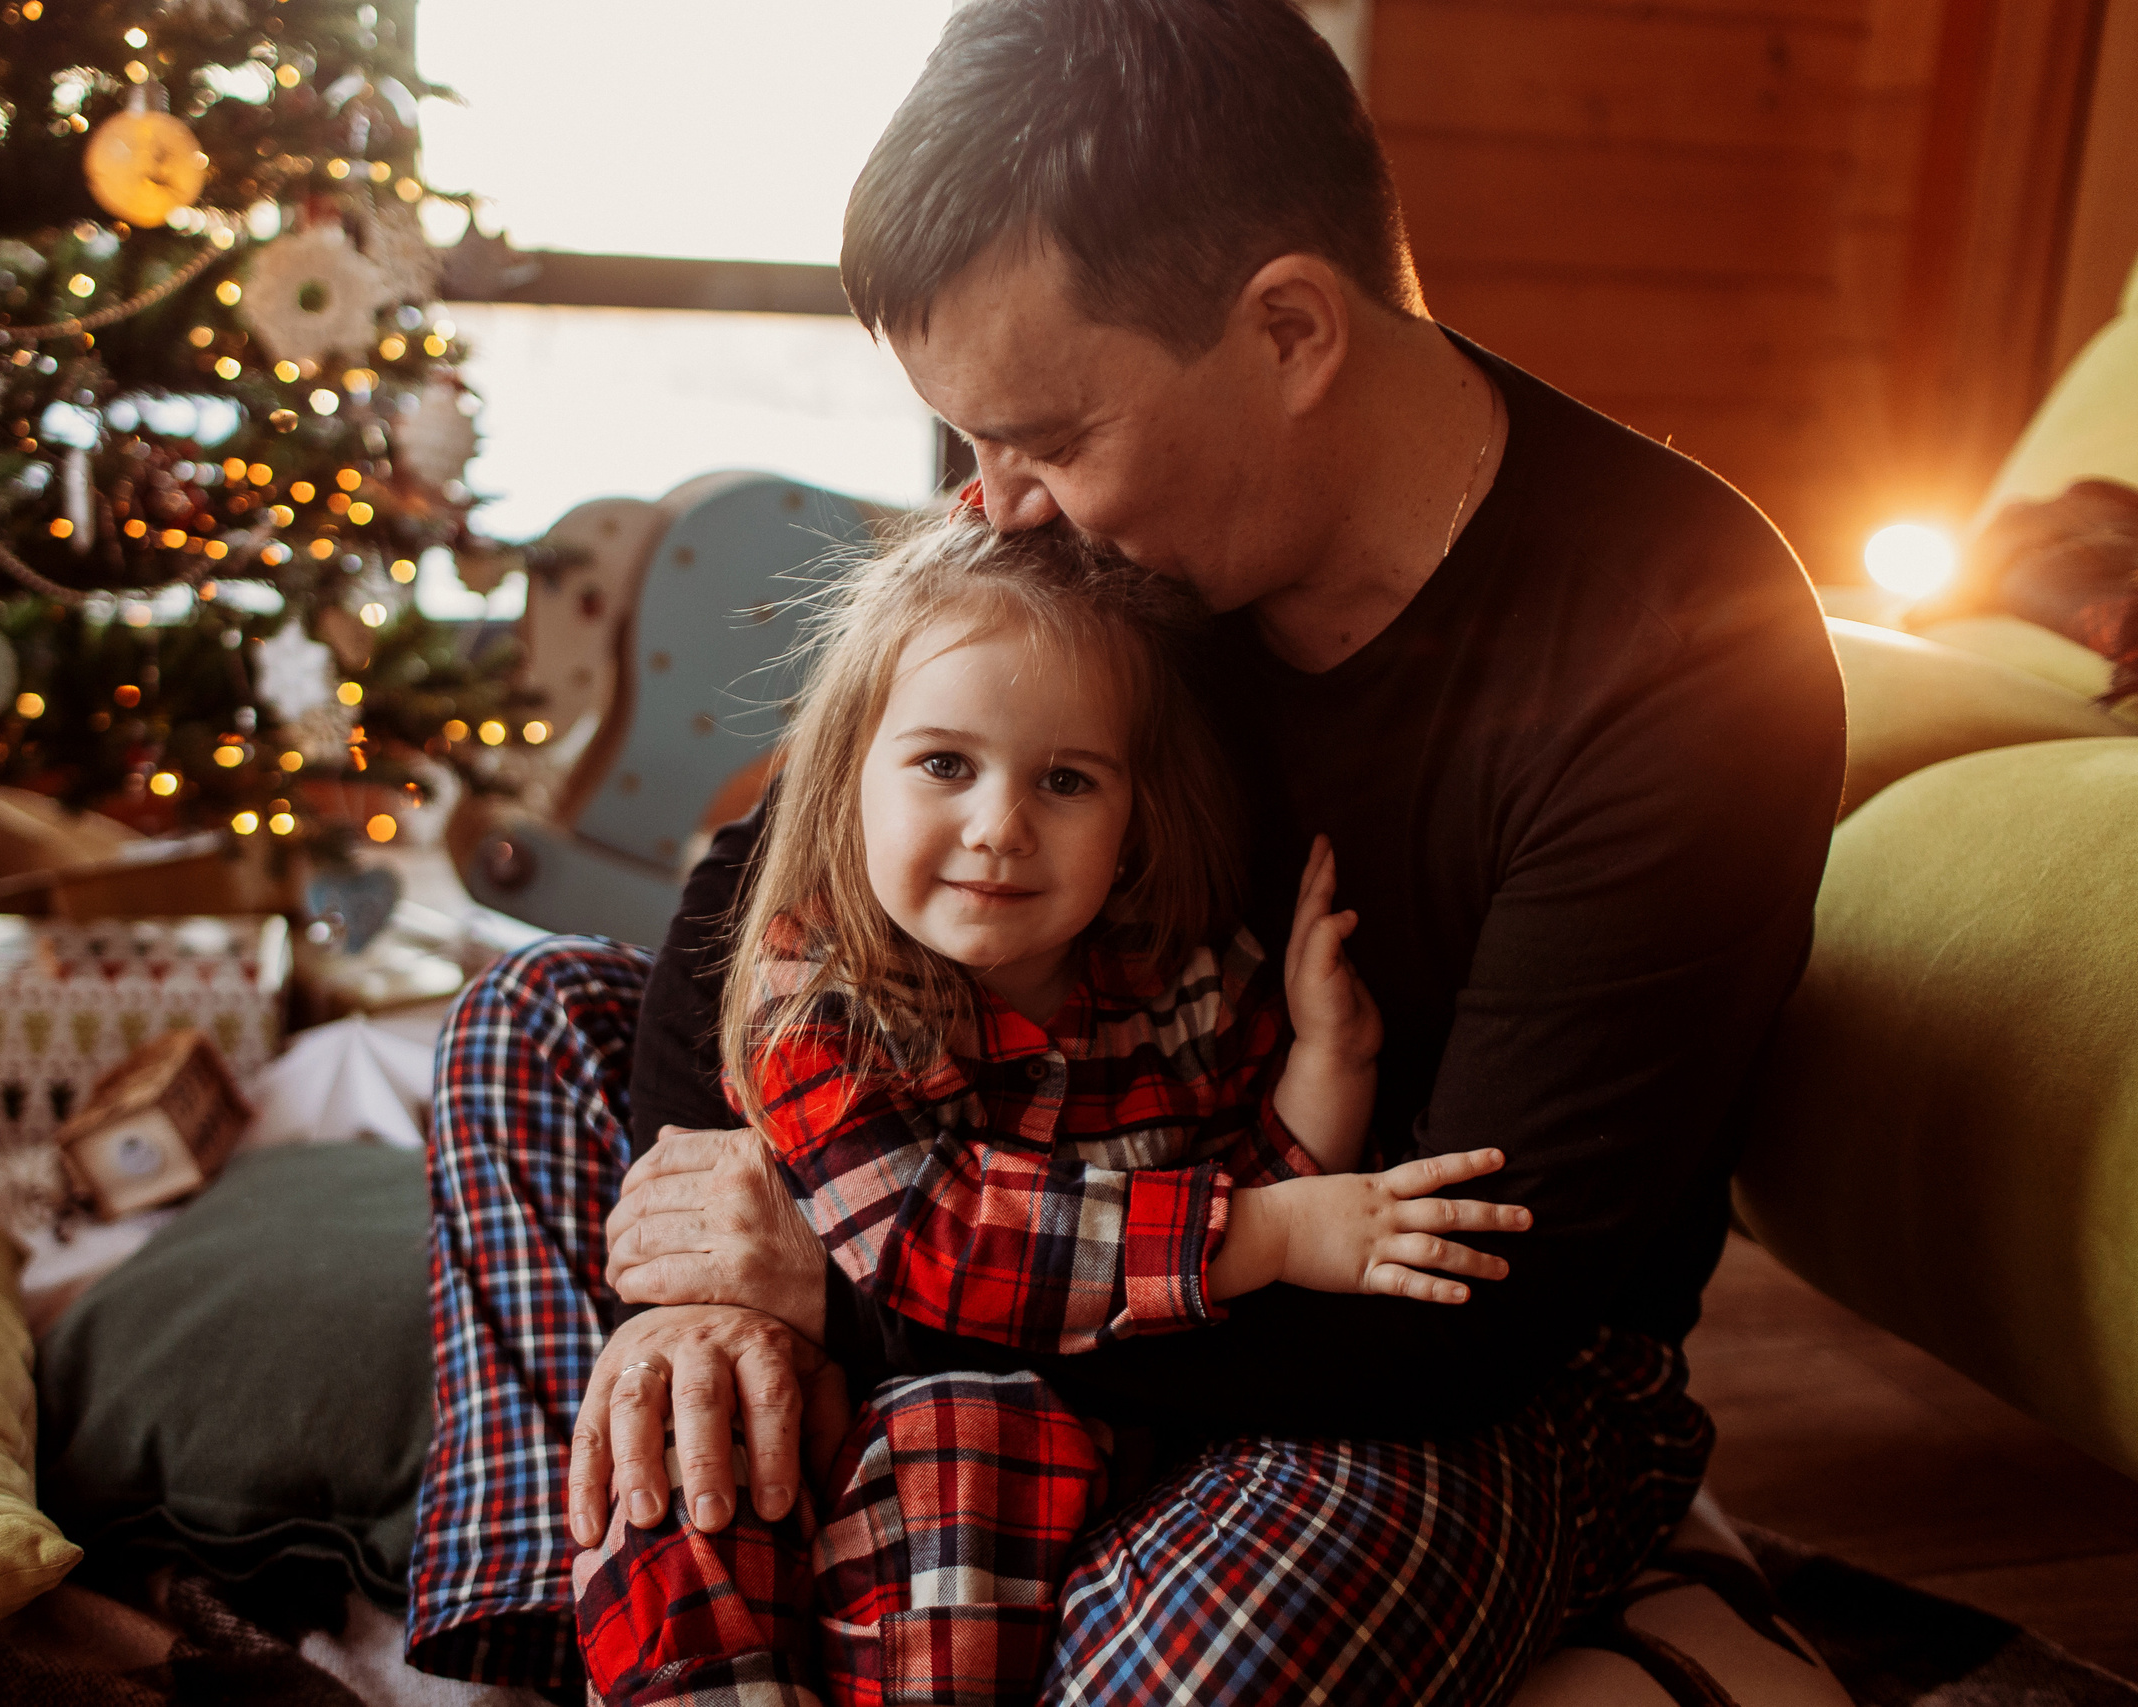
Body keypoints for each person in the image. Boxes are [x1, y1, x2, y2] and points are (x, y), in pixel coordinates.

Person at [407, 1, 1846, 1701]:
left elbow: (1469, 1321)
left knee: (1214, 1640)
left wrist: (855, 1292)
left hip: (1389, 1354)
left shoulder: (1684, 656)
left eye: (1047, 436)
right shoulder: (1082, 534)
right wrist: (690, 1301)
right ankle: (575, 1616)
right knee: (531, 1025)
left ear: (1291, 328)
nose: (996, 502)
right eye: (973, 443)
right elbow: (758, 881)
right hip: (995, 1176)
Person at [569, 515, 1536, 1703]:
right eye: (942, 766)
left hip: (1011, 1474)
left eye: (1066, 781)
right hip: (811, 1409)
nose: (999, 828)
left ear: (1133, 820)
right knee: (676, 1435)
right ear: (844, 784)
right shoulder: (813, 1005)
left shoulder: (1175, 984)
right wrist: (1278, 1237)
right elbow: (945, 1240)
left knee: (975, 1433)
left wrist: (1328, 1063)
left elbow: (1247, 1174)